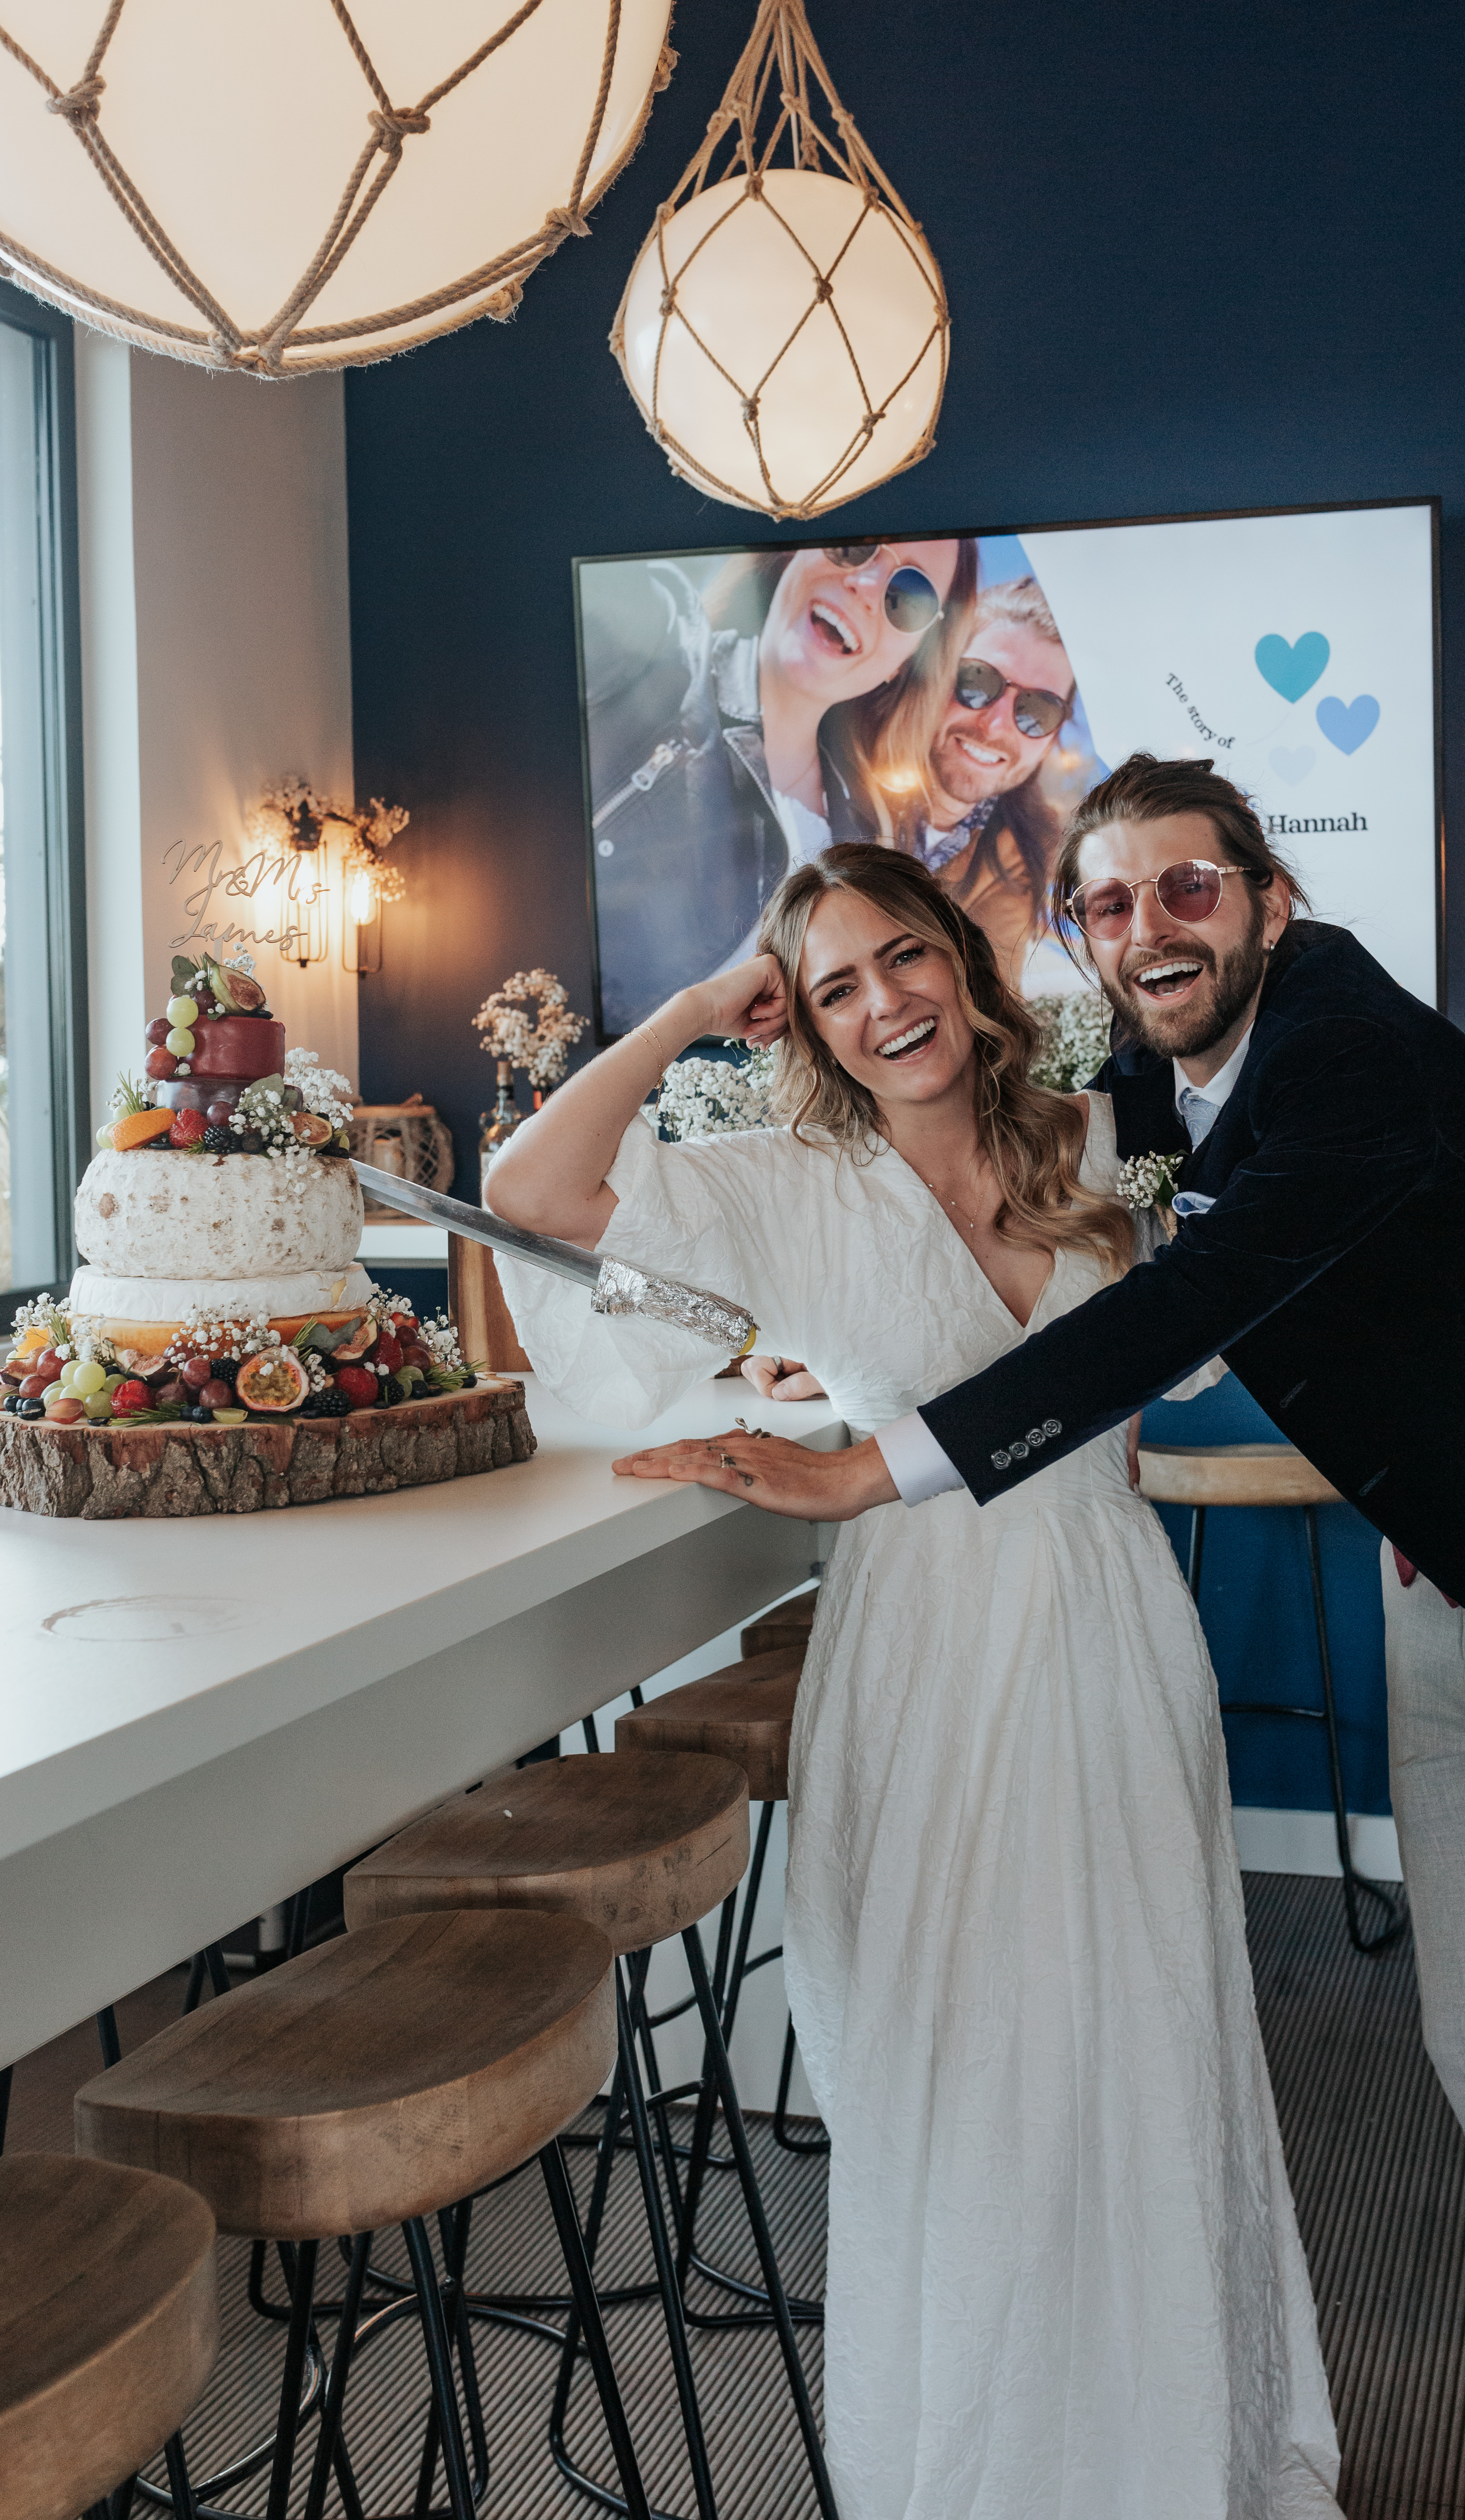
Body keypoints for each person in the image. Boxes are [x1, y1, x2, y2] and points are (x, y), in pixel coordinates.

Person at [619, 758, 1465, 2520]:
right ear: (1074, 932)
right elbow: (1069, 1216)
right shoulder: (1145, 1081)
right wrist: (841, 1333)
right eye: (1110, 903)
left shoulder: (1347, 1050)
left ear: (1268, 899)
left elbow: (1185, 1304)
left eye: (1188, 891)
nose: (1149, 932)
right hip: (1436, 1576)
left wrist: (871, 1468)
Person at [485, 841, 1345, 2520]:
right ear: (795, 1018)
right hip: (921, 1655)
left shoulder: (1103, 1134)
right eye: (832, 985)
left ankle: (1175, 2452)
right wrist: (682, 1012)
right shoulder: (776, 1180)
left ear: (963, 958)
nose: (884, 1003)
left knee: (1139, 2039)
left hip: (1106, 1624)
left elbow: (1288, 1216)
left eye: (905, 956)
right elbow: (532, 1191)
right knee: (957, 2071)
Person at [582, 538, 976, 1031]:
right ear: (794, 557)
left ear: (904, 661)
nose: (866, 583)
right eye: (853, 547)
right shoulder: (659, 646)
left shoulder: (862, 836)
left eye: (910, 595)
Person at [861, 575, 1078, 985]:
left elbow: (991, 1010)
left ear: (1052, 739)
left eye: (1038, 710)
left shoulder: (1016, 858)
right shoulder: (833, 767)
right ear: (937, 671)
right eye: (978, 681)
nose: (997, 724)